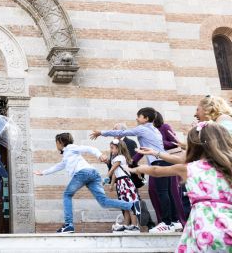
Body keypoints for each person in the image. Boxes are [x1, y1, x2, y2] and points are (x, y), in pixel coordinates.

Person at [130, 122, 232, 253]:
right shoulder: (228, 168)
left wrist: (138, 168)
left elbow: (156, 170)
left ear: (194, 146)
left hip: (204, 226)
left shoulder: (189, 168)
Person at [90, 107, 181, 233]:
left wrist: (101, 132)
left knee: (162, 193)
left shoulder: (142, 129)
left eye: (139, 116)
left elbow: (122, 133)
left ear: (146, 118)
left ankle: (166, 222)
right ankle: (174, 221)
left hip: (158, 162)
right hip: (166, 160)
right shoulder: (155, 130)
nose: (137, 119)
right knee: (167, 193)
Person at [34, 132, 141, 233]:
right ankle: (131, 205)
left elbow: (89, 148)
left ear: (60, 142)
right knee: (103, 202)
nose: (56, 145)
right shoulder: (67, 154)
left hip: (83, 173)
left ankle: (68, 225)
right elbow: (59, 166)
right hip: (93, 174)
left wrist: (100, 155)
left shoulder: (70, 147)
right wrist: (43, 172)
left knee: (67, 194)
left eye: (56, 143)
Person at [107, 139, 140, 233]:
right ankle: (126, 225)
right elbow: (115, 173)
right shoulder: (116, 159)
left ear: (118, 148)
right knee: (125, 205)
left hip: (125, 182)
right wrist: (112, 184)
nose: (111, 150)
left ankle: (135, 226)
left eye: (112, 148)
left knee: (130, 203)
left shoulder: (120, 157)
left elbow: (112, 170)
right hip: (121, 183)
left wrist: (105, 178)